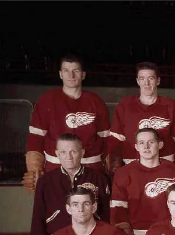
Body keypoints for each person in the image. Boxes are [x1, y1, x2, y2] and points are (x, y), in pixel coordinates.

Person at [23, 54, 110, 192]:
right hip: (55, 169)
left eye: (76, 70)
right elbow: (36, 138)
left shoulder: (96, 102)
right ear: (60, 74)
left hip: (91, 169)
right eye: (66, 70)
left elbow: (107, 140)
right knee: (57, 211)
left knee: (91, 211)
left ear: (83, 75)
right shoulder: (47, 100)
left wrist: (111, 168)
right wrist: (35, 169)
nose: (71, 75)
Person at [110, 128, 175, 235]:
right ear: (136, 147)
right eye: (141, 143)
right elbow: (118, 211)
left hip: (171, 234)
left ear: (160, 145)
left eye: (151, 142)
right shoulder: (124, 174)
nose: (146, 146)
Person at [31, 134, 110, 235]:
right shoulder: (45, 181)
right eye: (63, 152)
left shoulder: (99, 178)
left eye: (73, 151)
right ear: (57, 154)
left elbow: (107, 215)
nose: (68, 157)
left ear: (82, 152)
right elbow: (37, 218)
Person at [106, 62, 175, 175]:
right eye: (142, 78)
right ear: (137, 81)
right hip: (132, 164)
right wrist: (115, 162)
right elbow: (116, 140)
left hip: (164, 165)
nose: (146, 83)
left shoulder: (171, 106)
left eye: (151, 78)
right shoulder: (125, 105)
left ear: (158, 81)